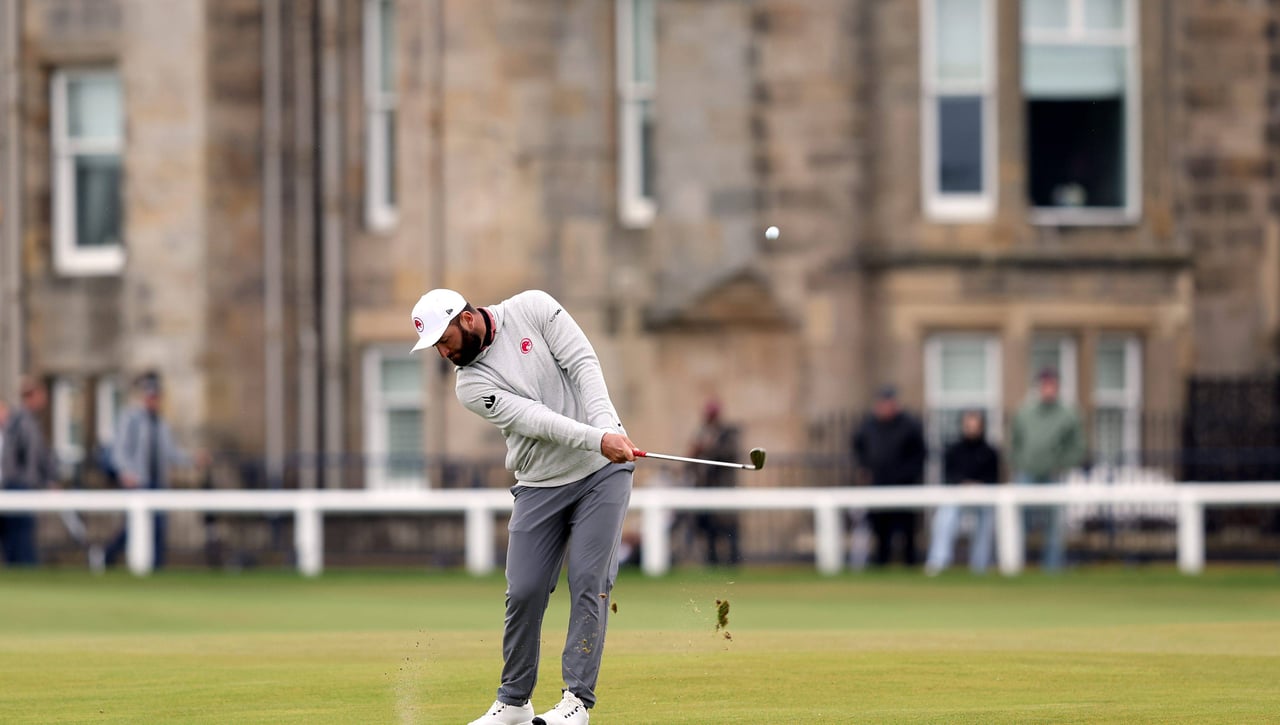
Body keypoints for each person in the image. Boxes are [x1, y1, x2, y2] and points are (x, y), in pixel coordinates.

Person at [410, 288, 637, 725]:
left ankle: (576, 703)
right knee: (525, 591)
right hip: (539, 485)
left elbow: (583, 363)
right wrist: (598, 438)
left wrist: (607, 427)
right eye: (436, 346)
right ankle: (514, 702)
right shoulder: (469, 386)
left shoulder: (532, 307)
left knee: (589, 580)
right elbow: (534, 419)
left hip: (601, 473)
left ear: (467, 319)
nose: (442, 352)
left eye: (444, 339)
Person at [104, 372, 203, 570]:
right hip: (138, 483)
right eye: (150, 396)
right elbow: (118, 450)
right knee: (134, 528)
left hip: (158, 483)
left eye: (157, 396)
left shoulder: (161, 424)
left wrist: (193, 459)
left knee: (159, 528)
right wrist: (125, 472)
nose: (153, 400)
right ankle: (106, 557)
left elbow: (171, 453)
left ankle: (157, 569)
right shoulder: (131, 419)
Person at [1011, 367, 1085, 572]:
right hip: (1027, 474)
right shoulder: (1024, 412)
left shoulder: (1069, 414)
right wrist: (1020, 463)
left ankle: (1051, 569)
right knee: (1020, 522)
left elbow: (1078, 447)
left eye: (1052, 385)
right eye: (1044, 385)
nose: (1048, 390)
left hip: (1054, 475)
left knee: (1053, 526)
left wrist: (1062, 464)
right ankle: (1017, 567)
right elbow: (1015, 443)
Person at [852, 385, 927, 567]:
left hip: (904, 484)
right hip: (878, 483)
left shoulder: (909, 425)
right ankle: (881, 562)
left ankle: (910, 563)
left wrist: (907, 475)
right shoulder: (869, 425)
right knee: (880, 527)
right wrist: (865, 468)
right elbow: (858, 447)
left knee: (907, 528)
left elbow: (920, 454)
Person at [924, 409, 1001, 576]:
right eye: (968, 425)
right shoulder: (953, 450)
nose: (972, 429)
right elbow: (949, 476)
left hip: (982, 496)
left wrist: (978, 485)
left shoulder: (989, 451)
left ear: (981, 427)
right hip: (957, 494)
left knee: (987, 518)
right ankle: (938, 562)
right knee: (945, 516)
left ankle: (980, 565)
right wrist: (963, 484)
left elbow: (993, 478)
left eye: (975, 425)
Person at [0, 376, 59, 565]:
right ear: (32, 396)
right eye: (42, 395)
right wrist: (23, 480)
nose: (45, 400)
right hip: (18, 486)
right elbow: (18, 457)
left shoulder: (29, 421)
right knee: (19, 537)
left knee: (20, 536)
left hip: (23, 485)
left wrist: (48, 479)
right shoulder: (20, 422)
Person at [687, 399, 742, 567]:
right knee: (708, 528)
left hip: (724, 488)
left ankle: (733, 562)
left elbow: (729, 453)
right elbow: (693, 459)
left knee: (728, 527)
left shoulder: (728, 433)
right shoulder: (702, 432)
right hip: (704, 488)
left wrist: (708, 449)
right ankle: (712, 562)